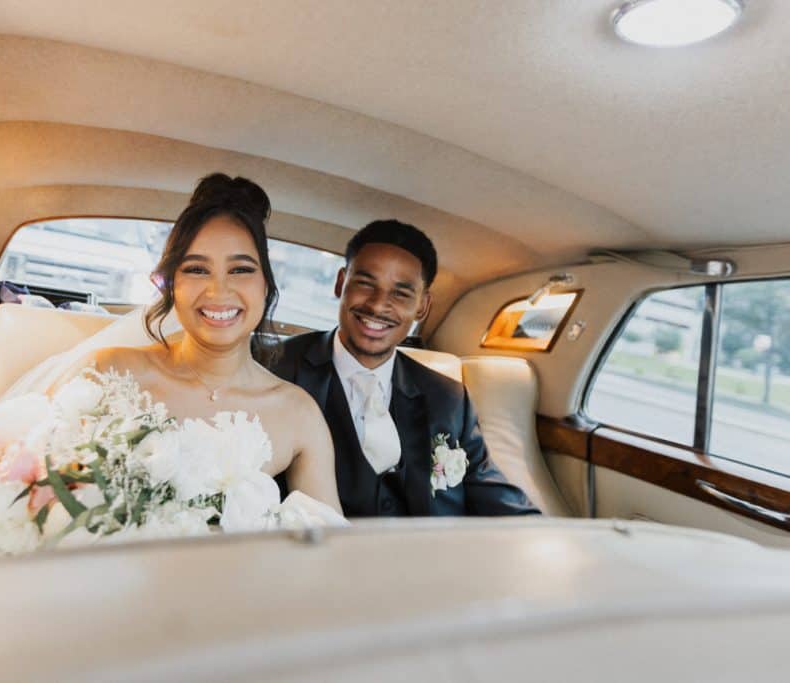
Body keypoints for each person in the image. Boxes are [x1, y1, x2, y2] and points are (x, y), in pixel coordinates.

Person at [54, 173, 342, 512]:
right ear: (171, 283)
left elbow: (328, 538)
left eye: (240, 270)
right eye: (196, 270)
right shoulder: (107, 373)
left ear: (265, 285)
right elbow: (32, 486)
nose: (218, 291)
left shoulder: (297, 413)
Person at [269, 220, 538, 517]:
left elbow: (496, 497)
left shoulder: (448, 398)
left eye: (400, 293)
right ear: (341, 282)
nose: (378, 305)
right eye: (366, 283)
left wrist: (553, 539)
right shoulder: (275, 369)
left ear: (422, 306)